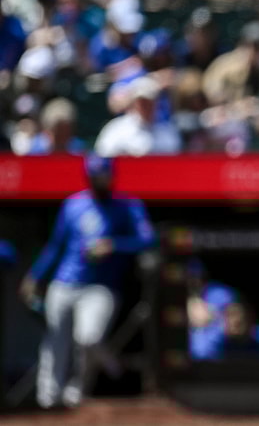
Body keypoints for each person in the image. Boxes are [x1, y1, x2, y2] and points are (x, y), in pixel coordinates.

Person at [17, 154, 156, 409]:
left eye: (102, 175)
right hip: (64, 281)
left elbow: (148, 240)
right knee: (56, 339)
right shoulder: (73, 205)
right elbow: (55, 246)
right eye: (93, 176)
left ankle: (76, 391)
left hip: (102, 286)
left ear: (111, 176)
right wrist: (35, 276)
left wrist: (114, 245)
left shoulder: (128, 205)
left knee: (88, 338)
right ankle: (48, 398)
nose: (98, 181)